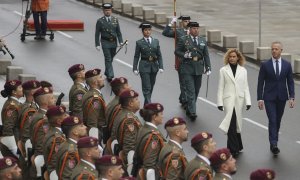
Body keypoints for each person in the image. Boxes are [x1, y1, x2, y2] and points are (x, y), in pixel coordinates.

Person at [257, 41, 295, 155]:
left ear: (281, 51)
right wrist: (260, 99)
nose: (274, 51)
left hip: (282, 97)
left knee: (277, 120)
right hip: (269, 97)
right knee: (272, 119)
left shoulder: (287, 65)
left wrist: (291, 97)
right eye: (272, 49)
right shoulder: (265, 65)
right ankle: (274, 143)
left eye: (276, 49)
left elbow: (290, 82)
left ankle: (273, 140)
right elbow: (260, 83)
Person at [217, 48, 251, 157]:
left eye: (234, 56)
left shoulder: (243, 70)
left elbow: (245, 87)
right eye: (230, 56)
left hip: (239, 101)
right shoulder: (223, 70)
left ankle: (237, 145)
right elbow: (221, 87)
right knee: (231, 123)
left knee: (236, 123)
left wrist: (248, 101)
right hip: (228, 100)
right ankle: (233, 149)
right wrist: (219, 103)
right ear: (228, 58)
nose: (232, 58)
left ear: (238, 58)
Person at [175, 21, 211, 121]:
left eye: (197, 28)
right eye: (194, 28)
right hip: (187, 67)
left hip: (199, 68)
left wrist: (208, 67)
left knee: (196, 90)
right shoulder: (183, 39)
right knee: (191, 91)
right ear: (190, 30)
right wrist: (184, 55)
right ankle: (192, 112)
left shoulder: (202, 40)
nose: (196, 30)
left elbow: (206, 55)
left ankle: (190, 107)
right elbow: (177, 51)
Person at [162, 15, 191, 108]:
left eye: (188, 21)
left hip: (191, 61)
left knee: (189, 82)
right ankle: (186, 101)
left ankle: (182, 97)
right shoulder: (178, 32)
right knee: (183, 82)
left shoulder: (193, 31)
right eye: (185, 21)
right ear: (181, 22)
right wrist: (171, 23)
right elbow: (165, 33)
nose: (187, 22)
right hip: (181, 60)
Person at [132, 103, 166, 179]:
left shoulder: (144, 128)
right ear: (155, 117)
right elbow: (149, 166)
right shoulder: (154, 137)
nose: (163, 116)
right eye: (161, 114)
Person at [133, 23, 164, 105]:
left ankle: (146, 104)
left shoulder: (156, 41)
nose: (147, 32)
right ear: (142, 32)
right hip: (144, 66)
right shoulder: (139, 43)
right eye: (146, 30)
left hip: (154, 66)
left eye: (149, 30)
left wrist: (161, 66)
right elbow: (136, 56)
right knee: (146, 87)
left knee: (151, 86)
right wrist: (135, 68)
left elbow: (159, 55)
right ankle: (149, 104)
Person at [109, 89, 141, 169]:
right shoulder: (129, 120)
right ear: (130, 104)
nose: (139, 101)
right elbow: (129, 147)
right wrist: (131, 167)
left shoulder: (122, 113)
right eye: (136, 99)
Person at [29, 87, 55, 179]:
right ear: (45, 102)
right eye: (52, 98)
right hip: (42, 160)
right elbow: (41, 143)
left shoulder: (42, 115)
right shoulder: (43, 120)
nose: (54, 100)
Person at [95, 3, 123, 82]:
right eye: (106, 10)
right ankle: (110, 75)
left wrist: (121, 42)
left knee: (110, 59)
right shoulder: (100, 21)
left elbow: (118, 32)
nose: (107, 12)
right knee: (108, 58)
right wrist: (97, 44)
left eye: (109, 10)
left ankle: (107, 72)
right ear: (103, 11)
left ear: (111, 11)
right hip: (105, 42)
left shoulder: (115, 20)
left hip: (114, 42)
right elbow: (97, 34)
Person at [43, 105, 68, 176]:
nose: (68, 116)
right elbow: (56, 162)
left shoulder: (57, 133)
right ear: (59, 121)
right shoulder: (57, 139)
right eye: (65, 115)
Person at [82, 68, 106, 141]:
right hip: (96, 132)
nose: (103, 79)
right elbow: (92, 122)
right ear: (95, 82)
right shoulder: (95, 99)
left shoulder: (90, 93)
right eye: (101, 77)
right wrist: (95, 142)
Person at [1, 80, 23, 157]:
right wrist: (14, 148)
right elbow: (8, 127)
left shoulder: (17, 103)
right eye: (20, 87)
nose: (22, 89)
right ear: (14, 92)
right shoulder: (11, 106)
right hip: (14, 143)